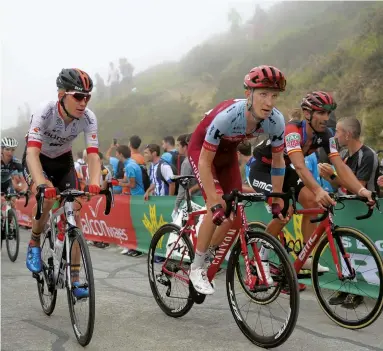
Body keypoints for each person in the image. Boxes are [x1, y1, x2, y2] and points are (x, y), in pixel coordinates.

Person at [249, 91, 375, 285]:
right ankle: (261, 259)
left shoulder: (327, 135)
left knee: (310, 201)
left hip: (283, 169)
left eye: (328, 113)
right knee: (284, 209)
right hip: (262, 169)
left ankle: (305, 256)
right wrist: (318, 190)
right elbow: (299, 165)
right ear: (307, 113)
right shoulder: (292, 131)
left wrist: (361, 190)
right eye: (321, 113)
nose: (326, 118)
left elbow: (340, 166)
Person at [187, 65, 288, 295]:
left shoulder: (276, 121)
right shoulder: (227, 117)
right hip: (201, 152)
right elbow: (204, 162)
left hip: (227, 155)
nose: (269, 102)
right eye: (263, 94)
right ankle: (195, 267)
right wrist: (213, 200)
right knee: (220, 205)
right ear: (248, 95)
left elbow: (278, 162)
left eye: (274, 95)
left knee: (232, 212)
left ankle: (210, 253)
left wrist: (277, 197)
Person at [23, 68, 101, 299]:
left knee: (75, 216)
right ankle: (35, 241)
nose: (83, 102)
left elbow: (94, 155)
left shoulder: (89, 118)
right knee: (47, 198)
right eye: (78, 96)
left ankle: (75, 279)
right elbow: (32, 154)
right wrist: (41, 183)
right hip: (39, 158)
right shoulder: (45, 112)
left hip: (63, 161)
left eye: (87, 96)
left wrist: (95, 183)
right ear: (61, 95)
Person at [319, 117, 379, 308]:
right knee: (347, 250)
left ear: (348, 134)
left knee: (363, 251)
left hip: (364, 208)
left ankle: (358, 292)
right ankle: (346, 288)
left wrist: (334, 175)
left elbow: (358, 187)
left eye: (337, 131)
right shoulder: (344, 154)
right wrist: (328, 177)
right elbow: (339, 184)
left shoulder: (367, 155)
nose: (334, 135)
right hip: (346, 208)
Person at [173, 134, 200, 215]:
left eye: (178, 145)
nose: (177, 148)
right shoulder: (199, 159)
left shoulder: (186, 163)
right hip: (203, 199)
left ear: (185, 147)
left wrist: (176, 205)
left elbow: (182, 187)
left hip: (192, 202)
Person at [1, 137, 26, 204]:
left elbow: (24, 179)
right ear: (1, 149)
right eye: (7, 149)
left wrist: (24, 189)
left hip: (8, 185)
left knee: (13, 200)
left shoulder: (16, 162)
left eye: (12, 150)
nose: (10, 152)